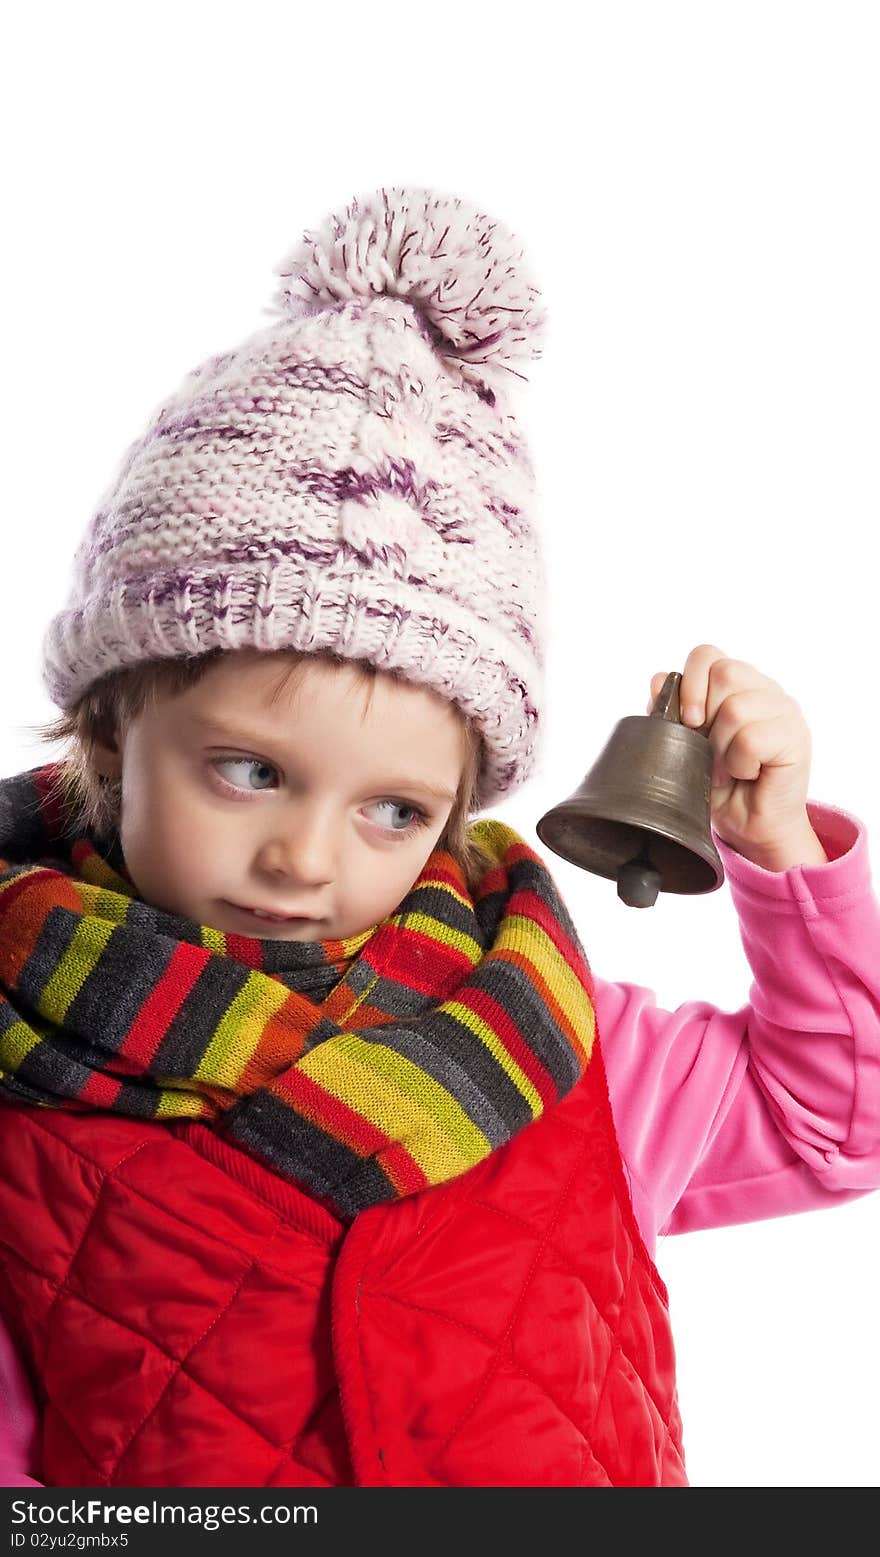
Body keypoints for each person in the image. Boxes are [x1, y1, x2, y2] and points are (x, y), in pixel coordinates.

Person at [0, 186, 877, 1489]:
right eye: (250, 770)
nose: (306, 857)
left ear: (459, 808)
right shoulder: (26, 1092)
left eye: (392, 809)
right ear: (116, 736)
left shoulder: (564, 1049)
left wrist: (783, 858)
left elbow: (831, 1123)